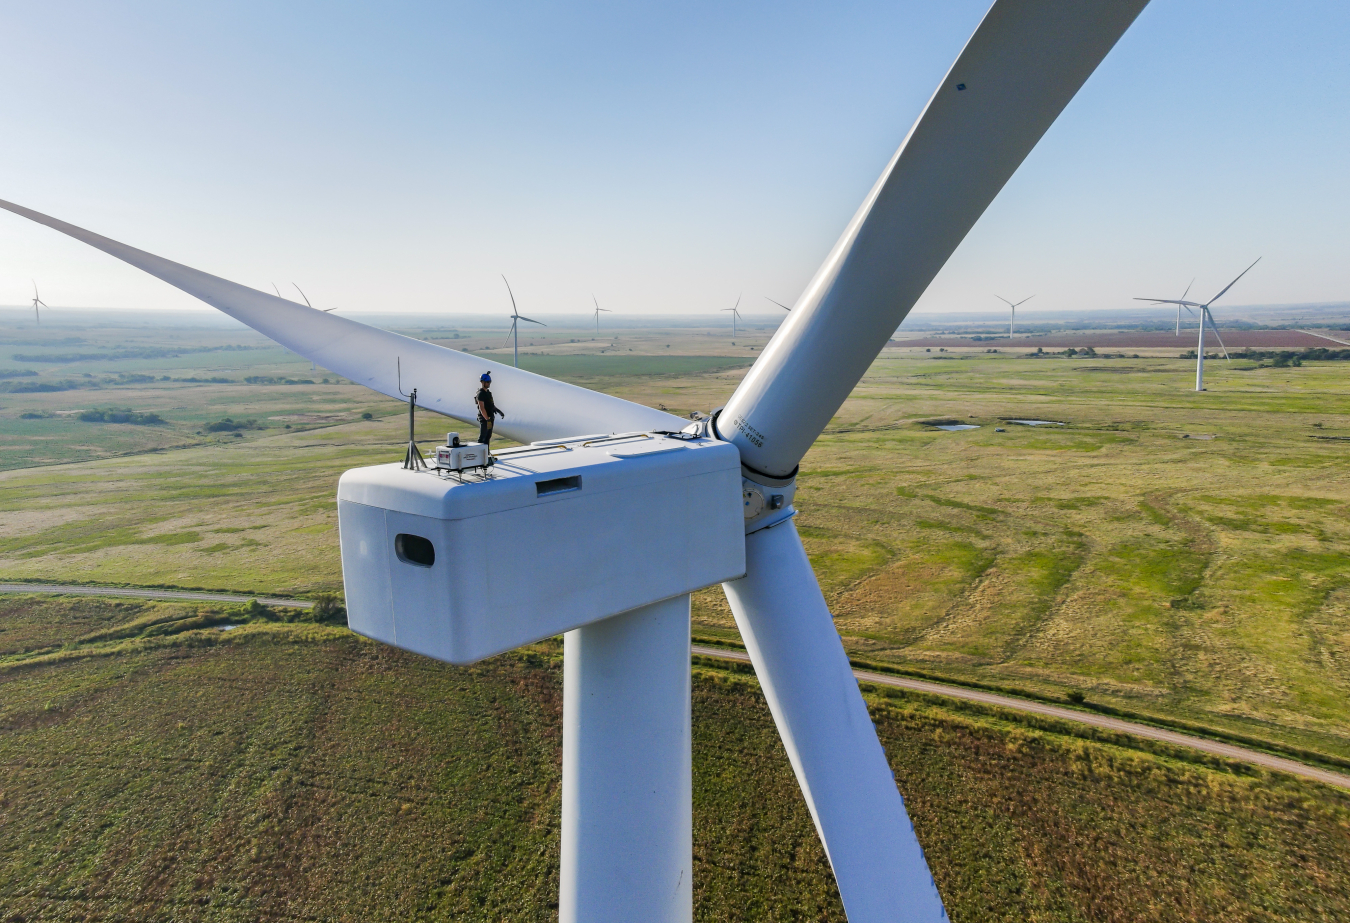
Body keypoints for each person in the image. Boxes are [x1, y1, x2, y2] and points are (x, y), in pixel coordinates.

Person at [475, 372, 505, 444]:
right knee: (482, 437)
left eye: (490, 382)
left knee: (488, 437)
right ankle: (480, 454)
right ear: (482, 382)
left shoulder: (488, 393)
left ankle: (487, 453)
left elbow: (491, 405)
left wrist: (498, 411)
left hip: (490, 418)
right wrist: (487, 419)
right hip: (485, 419)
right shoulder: (480, 394)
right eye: (487, 382)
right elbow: (481, 408)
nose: (489, 384)